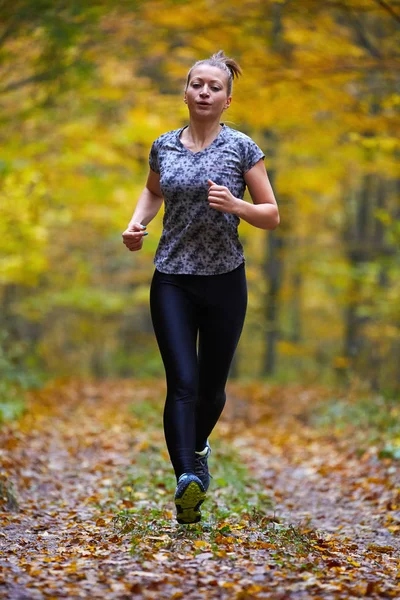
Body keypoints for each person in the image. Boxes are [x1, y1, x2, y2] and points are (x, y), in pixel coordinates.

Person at [122, 51, 279, 525]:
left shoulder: (241, 149)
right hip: (171, 276)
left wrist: (237, 206)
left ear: (227, 99)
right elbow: (153, 190)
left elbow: (271, 214)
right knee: (183, 385)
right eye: (197, 85)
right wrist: (136, 222)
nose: (205, 92)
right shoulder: (164, 146)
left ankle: (198, 451)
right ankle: (187, 478)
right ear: (186, 92)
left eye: (214, 86)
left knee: (212, 391)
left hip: (225, 281)